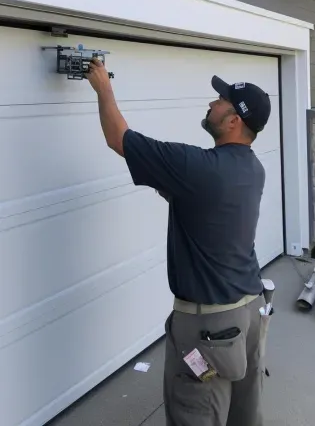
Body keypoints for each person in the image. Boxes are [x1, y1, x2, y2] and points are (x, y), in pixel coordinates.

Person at [87, 59, 272, 426]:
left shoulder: (197, 167)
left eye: (221, 100)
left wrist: (104, 89)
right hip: (250, 314)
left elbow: (118, 138)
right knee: (243, 414)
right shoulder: (253, 168)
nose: (212, 103)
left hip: (208, 330)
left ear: (235, 120)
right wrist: (169, 185)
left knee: (195, 406)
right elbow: (205, 206)